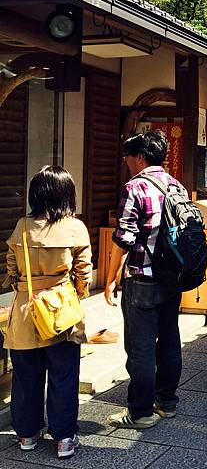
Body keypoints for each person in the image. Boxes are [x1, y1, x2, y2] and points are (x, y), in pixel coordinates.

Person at [4, 166, 92, 459]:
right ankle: (65, 437)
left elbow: (11, 270)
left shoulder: (21, 227)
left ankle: (27, 435)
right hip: (62, 312)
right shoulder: (75, 228)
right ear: (67, 194)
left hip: (26, 311)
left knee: (26, 376)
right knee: (64, 376)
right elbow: (84, 275)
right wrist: (75, 296)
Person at [104, 130, 186, 428]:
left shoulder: (135, 187)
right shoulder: (176, 185)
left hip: (142, 278)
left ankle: (140, 412)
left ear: (140, 156)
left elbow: (124, 238)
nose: (125, 162)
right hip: (172, 278)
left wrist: (111, 277)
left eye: (127, 156)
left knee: (140, 347)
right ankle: (166, 402)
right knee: (169, 340)